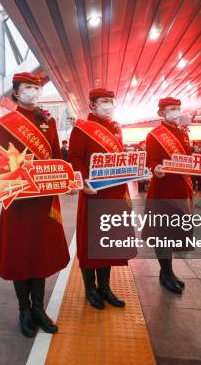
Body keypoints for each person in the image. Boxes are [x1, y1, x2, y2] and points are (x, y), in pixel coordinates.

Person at [0, 72, 70, 338]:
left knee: (39, 254)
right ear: (16, 93)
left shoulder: (48, 121)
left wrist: (66, 179)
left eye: (36, 87)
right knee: (21, 255)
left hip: (43, 200)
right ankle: (24, 310)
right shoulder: (6, 123)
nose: (33, 91)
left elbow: (55, 157)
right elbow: (0, 162)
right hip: (18, 200)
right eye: (28, 87)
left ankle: (39, 309)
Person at [68, 88, 135, 309]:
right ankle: (90, 289)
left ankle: (105, 288)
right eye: (104, 101)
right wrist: (84, 181)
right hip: (92, 193)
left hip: (113, 193)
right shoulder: (82, 128)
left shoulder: (116, 128)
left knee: (107, 243)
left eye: (111, 101)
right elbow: (75, 158)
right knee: (90, 243)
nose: (108, 105)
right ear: (92, 105)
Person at [143, 97, 201, 294]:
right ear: (161, 113)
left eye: (178, 108)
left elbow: (188, 160)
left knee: (174, 233)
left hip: (181, 188)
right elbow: (151, 160)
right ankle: (165, 273)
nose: (176, 112)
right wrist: (156, 168)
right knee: (163, 234)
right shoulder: (154, 135)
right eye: (171, 109)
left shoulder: (183, 133)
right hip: (163, 189)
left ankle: (168, 273)